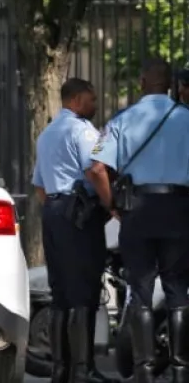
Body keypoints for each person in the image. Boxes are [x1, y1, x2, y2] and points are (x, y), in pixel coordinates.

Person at [87, 58, 189, 383]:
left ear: (142, 82)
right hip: (179, 210)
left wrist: (112, 204)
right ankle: (180, 371)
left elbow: (96, 168)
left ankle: (143, 371)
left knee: (140, 291)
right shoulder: (187, 118)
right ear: (170, 84)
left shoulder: (123, 120)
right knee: (177, 290)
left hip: (139, 210)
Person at [33, 78, 112, 383]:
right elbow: (96, 169)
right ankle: (83, 370)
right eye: (91, 99)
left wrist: (58, 207)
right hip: (79, 215)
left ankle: (60, 369)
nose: (95, 105)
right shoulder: (83, 131)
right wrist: (110, 203)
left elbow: (39, 185)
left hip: (53, 211)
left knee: (61, 294)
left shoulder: (47, 133)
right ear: (77, 100)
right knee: (84, 293)